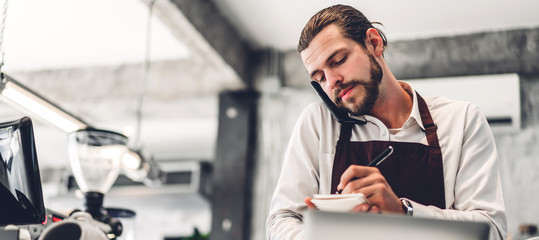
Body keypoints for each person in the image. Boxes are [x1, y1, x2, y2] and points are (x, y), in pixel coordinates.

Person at [266, 4, 506, 240]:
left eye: (338, 60)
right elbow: (282, 220)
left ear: (374, 43)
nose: (331, 82)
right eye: (319, 77)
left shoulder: (461, 120)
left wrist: (404, 212)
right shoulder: (318, 123)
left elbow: (492, 230)